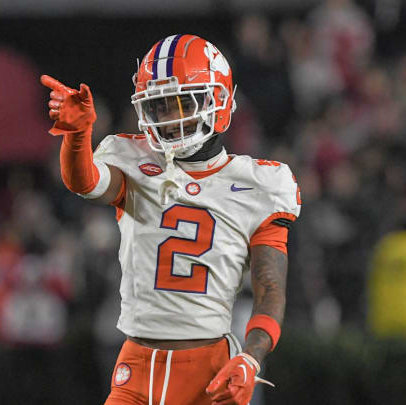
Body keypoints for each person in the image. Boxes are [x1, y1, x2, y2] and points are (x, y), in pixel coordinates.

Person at [41, 34, 301, 405]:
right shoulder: (135, 161)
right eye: (160, 107)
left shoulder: (258, 184)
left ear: (219, 100)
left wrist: (250, 357)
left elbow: (270, 289)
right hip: (136, 364)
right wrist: (78, 136)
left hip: (210, 369)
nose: (171, 118)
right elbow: (85, 181)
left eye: (182, 103)